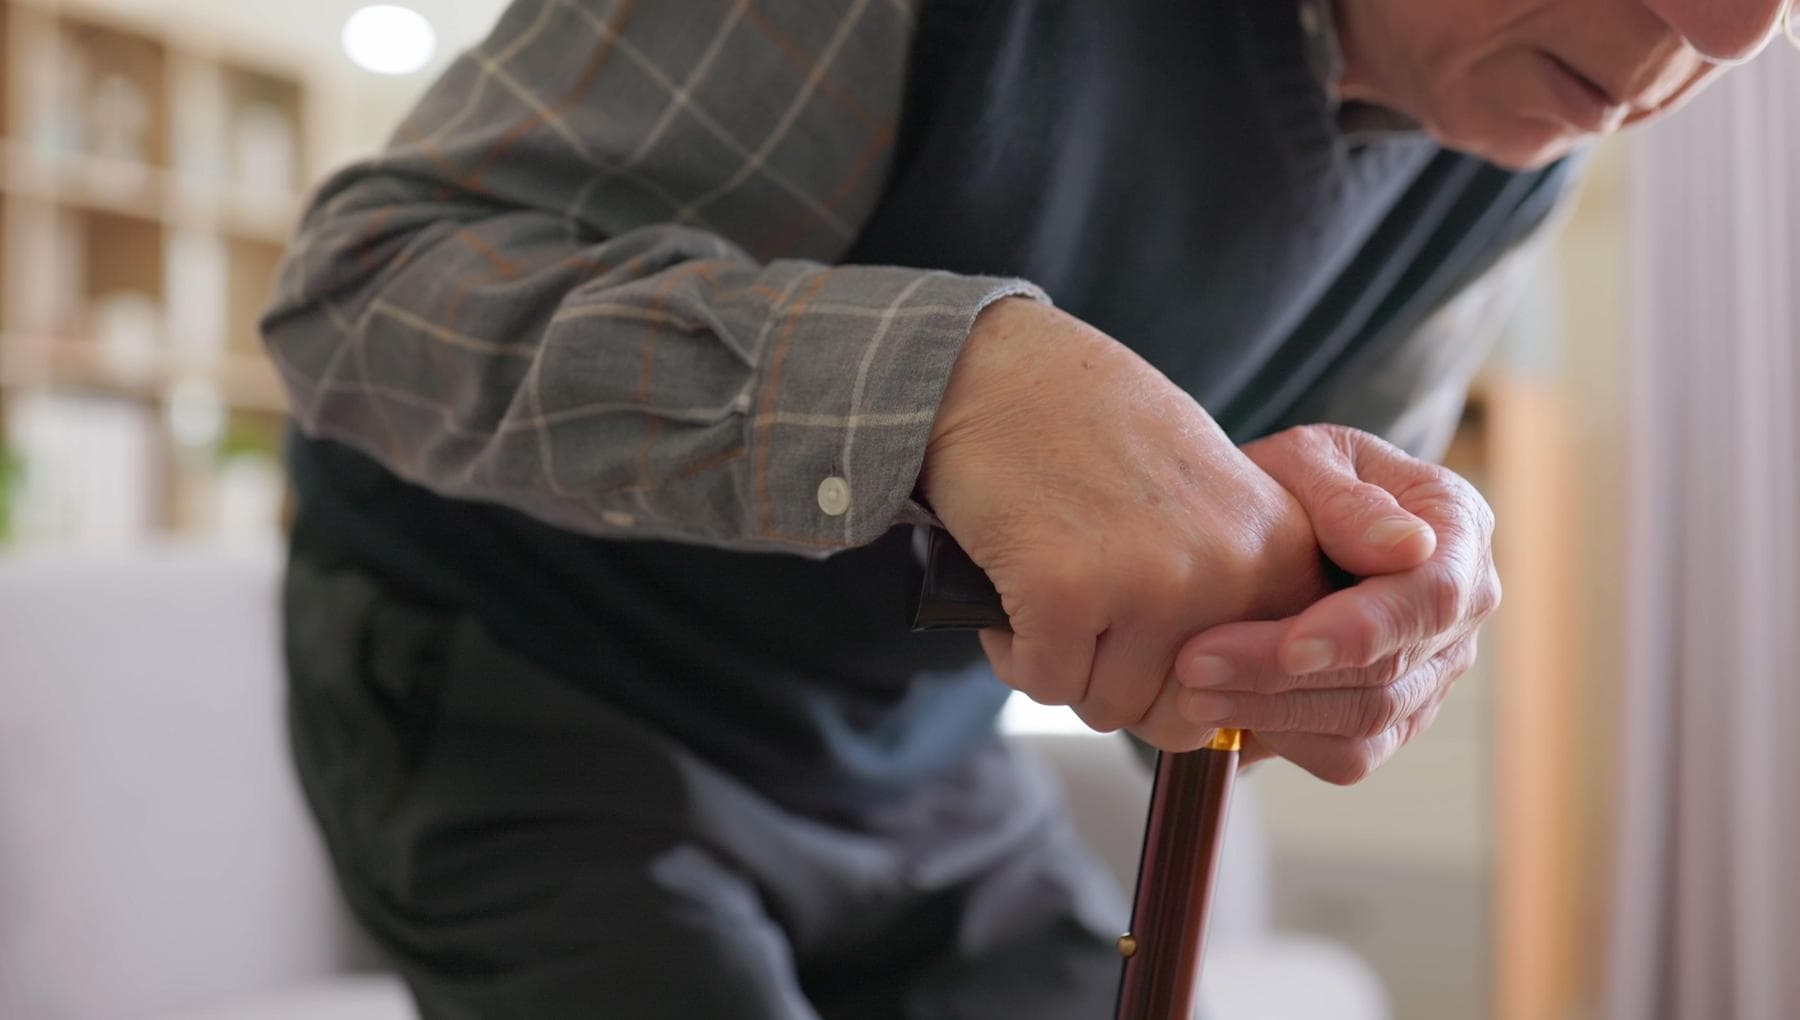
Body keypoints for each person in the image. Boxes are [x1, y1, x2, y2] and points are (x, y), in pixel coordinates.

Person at [261, 1, 1790, 1017]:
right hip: (517, 672)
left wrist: (1333, 620)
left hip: (904, 755)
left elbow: (1259, 561)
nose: (1733, 31)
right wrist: (951, 385)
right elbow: (352, 300)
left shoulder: (1510, 150)